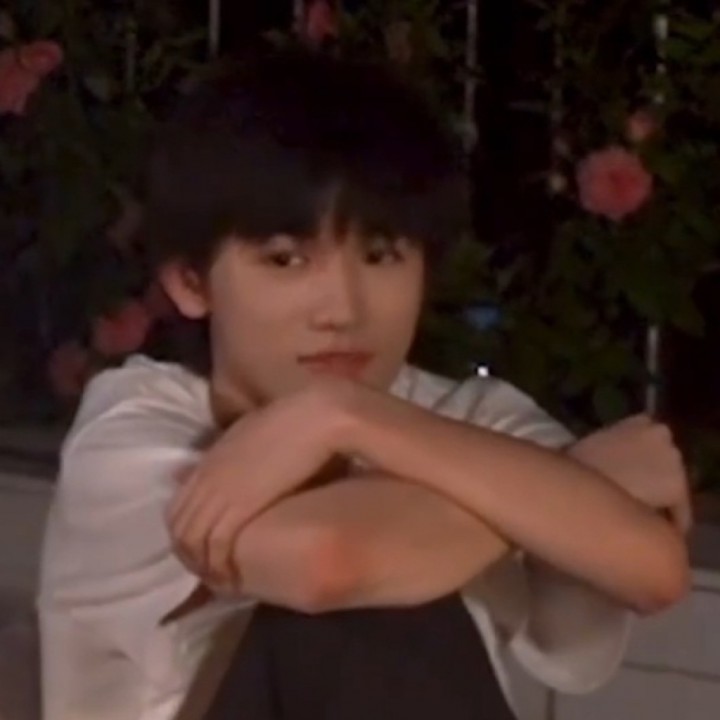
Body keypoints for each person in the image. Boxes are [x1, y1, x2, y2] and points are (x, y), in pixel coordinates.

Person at [38, 49, 690, 720]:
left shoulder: (464, 414)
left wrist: (348, 416)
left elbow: (652, 568)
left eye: (381, 256)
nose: (343, 309)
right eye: (286, 260)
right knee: (373, 609)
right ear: (190, 283)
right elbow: (328, 564)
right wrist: (566, 484)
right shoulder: (133, 430)